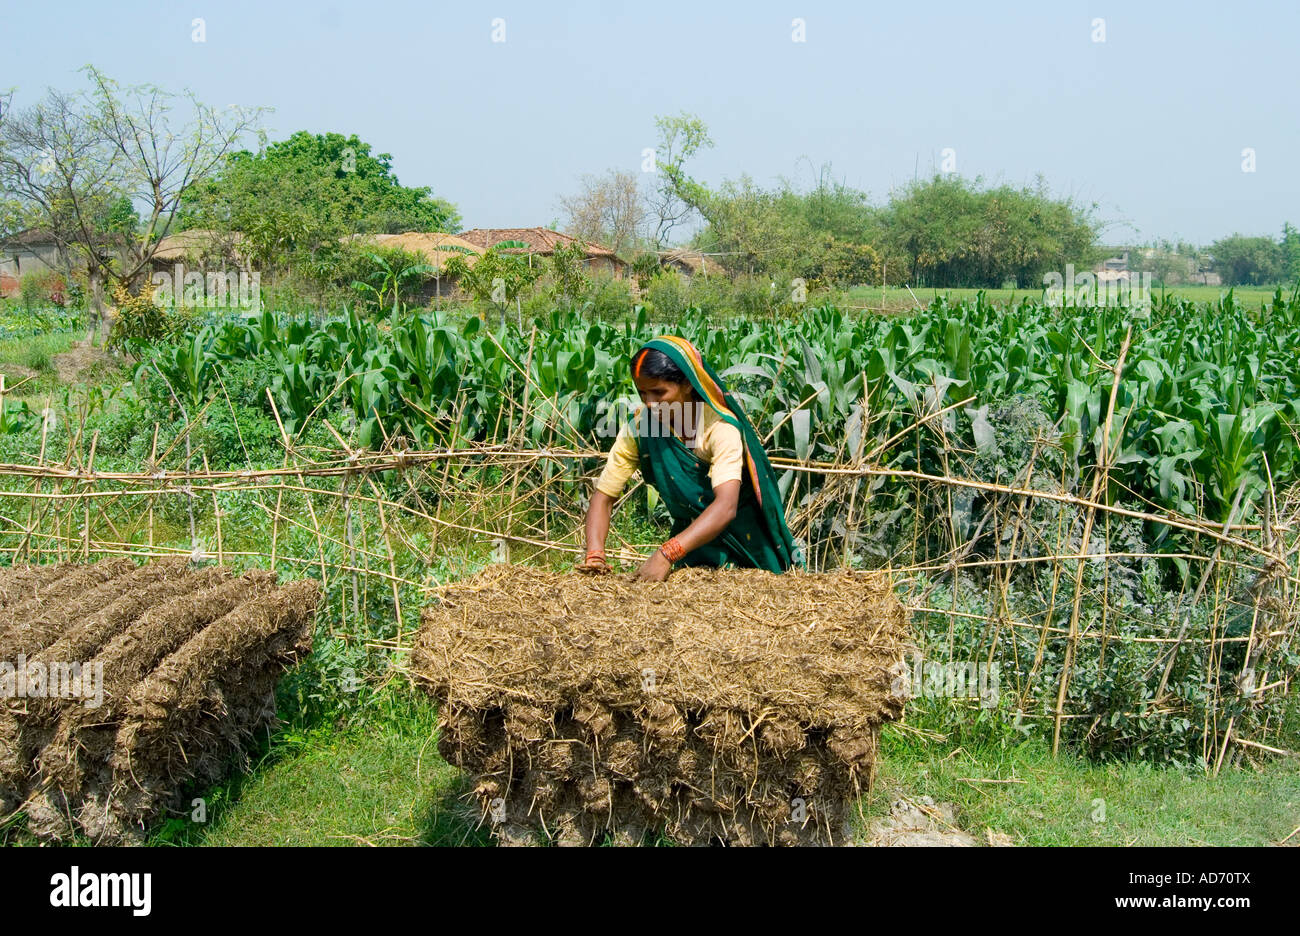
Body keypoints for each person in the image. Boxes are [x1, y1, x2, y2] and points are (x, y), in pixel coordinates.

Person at [578, 335, 800, 581]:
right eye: (642, 393)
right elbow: (604, 496)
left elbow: (726, 506)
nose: (649, 404)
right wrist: (595, 555)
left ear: (688, 384)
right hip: (694, 550)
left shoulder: (718, 429)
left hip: (746, 548)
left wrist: (667, 554)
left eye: (658, 392)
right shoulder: (640, 428)